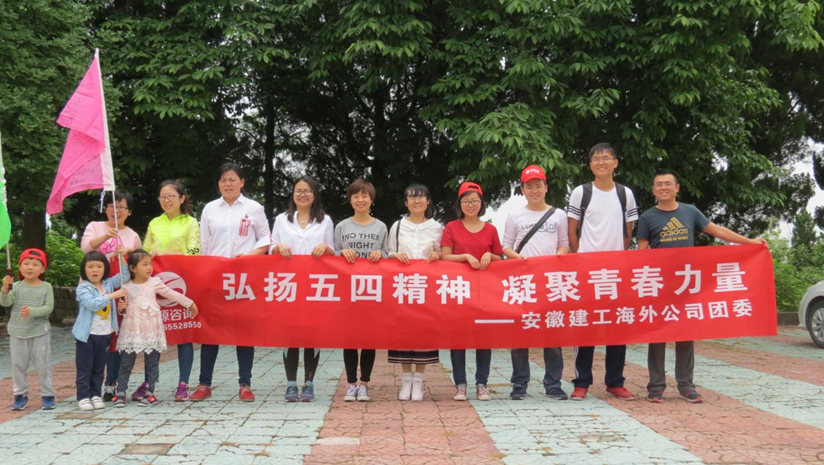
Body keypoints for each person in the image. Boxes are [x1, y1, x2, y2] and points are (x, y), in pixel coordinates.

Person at [637, 169, 768, 404]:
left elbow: (717, 231)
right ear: (653, 190)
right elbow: (642, 253)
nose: (663, 188)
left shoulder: (690, 212)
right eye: (659, 184)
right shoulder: (647, 217)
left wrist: (749, 242)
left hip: (686, 283)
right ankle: (655, 387)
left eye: (668, 184)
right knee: (657, 336)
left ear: (677, 188)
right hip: (658, 284)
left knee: (686, 334)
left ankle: (686, 386)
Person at [190, 163, 270, 403]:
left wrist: (250, 256)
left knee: (244, 333)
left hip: (244, 279)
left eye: (232, 179)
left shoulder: (254, 208)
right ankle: (205, 383)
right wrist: (204, 273)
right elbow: (205, 244)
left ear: (242, 182)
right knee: (210, 332)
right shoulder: (210, 209)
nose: (227, 184)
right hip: (215, 277)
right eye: (223, 179)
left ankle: (245, 384)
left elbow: (266, 238)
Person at [567, 142, 639, 401]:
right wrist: (581, 258)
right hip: (587, 271)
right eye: (596, 158)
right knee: (585, 325)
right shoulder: (581, 192)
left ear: (615, 163)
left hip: (615, 272)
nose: (601, 162)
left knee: (617, 326)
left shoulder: (625, 193)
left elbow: (628, 230)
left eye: (606, 158)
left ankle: (615, 382)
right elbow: (572, 229)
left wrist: (617, 258)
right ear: (590, 165)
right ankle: (581, 382)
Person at [502, 165, 570, 401]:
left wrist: (560, 254)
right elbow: (506, 246)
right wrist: (518, 257)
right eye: (529, 186)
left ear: (546, 187)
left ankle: (553, 384)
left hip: (551, 283)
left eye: (538, 185)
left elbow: (564, 243)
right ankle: (519, 384)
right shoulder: (515, 216)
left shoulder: (559, 215)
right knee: (520, 336)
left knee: (552, 335)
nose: (534, 190)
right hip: (523, 283)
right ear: (522, 189)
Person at [270, 175, 335, 403]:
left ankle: (309, 383)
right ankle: (291, 383)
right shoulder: (281, 220)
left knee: (311, 335)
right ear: (293, 194)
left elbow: (333, 251)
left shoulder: (325, 221)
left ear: (314, 195)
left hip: (316, 286)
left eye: (307, 191)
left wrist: (325, 247)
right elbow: (271, 247)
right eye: (298, 190)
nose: (302, 194)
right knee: (290, 334)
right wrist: (277, 246)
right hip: (288, 285)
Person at [441, 181, 503, 401]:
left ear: (481, 203)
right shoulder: (452, 227)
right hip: (458, 290)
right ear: (460, 203)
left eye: (475, 201)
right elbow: (445, 256)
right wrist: (466, 257)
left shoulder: (490, 229)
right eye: (466, 201)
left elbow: (500, 258)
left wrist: (489, 255)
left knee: (483, 337)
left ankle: (482, 384)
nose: (470, 205)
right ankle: (460, 385)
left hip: (484, 291)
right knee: (458, 338)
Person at [113, 250, 198, 407]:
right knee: (126, 362)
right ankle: (121, 392)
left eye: (150, 264)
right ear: (132, 268)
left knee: (152, 363)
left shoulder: (154, 282)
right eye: (144, 264)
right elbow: (122, 310)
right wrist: (121, 308)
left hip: (150, 329)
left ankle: (151, 392)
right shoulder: (126, 286)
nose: (149, 268)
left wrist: (189, 303)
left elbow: (171, 294)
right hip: (132, 329)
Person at [80, 190, 143, 402]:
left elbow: (139, 264)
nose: (116, 211)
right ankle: (88, 387)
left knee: (116, 338)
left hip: (120, 292)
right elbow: (86, 248)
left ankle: (112, 384)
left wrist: (129, 252)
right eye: (111, 206)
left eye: (121, 207)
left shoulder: (133, 235)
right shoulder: (95, 226)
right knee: (94, 338)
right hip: (94, 291)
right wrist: (106, 236)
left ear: (129, 211)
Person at [142, 180, 201, 401]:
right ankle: (150, 383)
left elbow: (195, 251)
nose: (166, 200)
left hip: (182, 282)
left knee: (183, 333)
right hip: (156, 283)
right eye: (162, 197)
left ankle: (183, 383)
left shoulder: (191, 222)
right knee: (155, 334)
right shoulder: (154, 223)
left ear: (181, 198)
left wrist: (167, 255)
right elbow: (145, 252)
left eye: (171, 196)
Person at [387, 184, 443, 401]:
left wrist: (437, 255)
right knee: (403, 334)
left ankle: (418, 382)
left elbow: (442, 253)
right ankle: (406, 382)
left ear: (428, 201)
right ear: (406, 202)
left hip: (426, 289)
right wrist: (395, 256)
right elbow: (390, 252)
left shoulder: (437, 227)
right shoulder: (398, 225)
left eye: (421, 197)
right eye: (412, 197)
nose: (416, 201)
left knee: (423, 334)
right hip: (402, 287)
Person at [334, 179, 388, 402]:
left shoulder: (381, 226)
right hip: (347, 289)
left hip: (371, 290)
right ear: (350, 200)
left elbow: (387, 253)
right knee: (349, 338)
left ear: (371, 199)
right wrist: (341, 252)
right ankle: (350, 384)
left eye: (364, 196)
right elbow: (334, 252)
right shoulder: (341, 226)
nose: (360, 200)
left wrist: (380, 254)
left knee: (368, 339)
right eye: (355, 196)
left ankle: (364, 384)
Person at [74, 250, 130, 411]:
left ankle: (96, 395)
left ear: (105, 268)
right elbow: (92, 304)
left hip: (105, 334)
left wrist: (121, 256)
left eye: (99, 266)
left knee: (99, 368)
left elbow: (125, 275)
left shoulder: (108, 284)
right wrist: (112, 296)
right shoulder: (83, 288)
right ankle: (83, 397)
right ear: (84, 269)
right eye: (90, 266)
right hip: (86, 336)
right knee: (85, 368)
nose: (95, 270)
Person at [2, 249, 55, 411]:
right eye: (26, 263)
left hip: (40, 332)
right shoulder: (16, 286)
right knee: (18, 365)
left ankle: (47, 394)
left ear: (42, 269)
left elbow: (49, 307)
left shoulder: (46, 287)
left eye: (35, 264)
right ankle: (20, 395)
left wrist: (33, 311)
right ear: (20, 267)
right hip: (17, 332)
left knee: (43, 364)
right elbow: (5, 303)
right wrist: (4, 289)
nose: (30, 267)